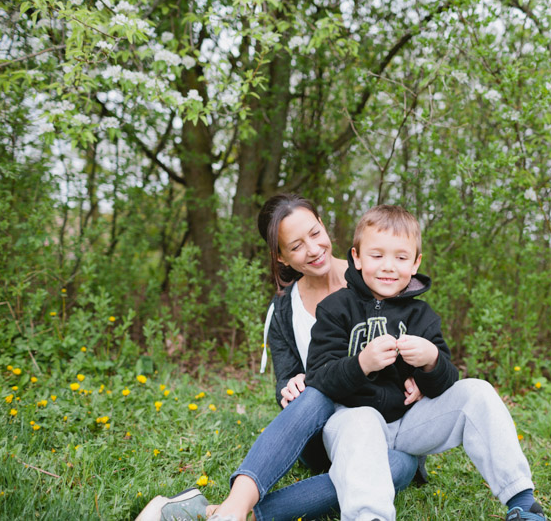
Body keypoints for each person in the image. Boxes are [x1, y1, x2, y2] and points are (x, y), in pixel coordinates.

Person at [137, 195, 418, 521]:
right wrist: (289, 386)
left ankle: (219, 513)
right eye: (296, 246)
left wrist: (421, 373)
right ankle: (236, 505)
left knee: (399, 466)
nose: (313, 250)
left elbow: (419, 334)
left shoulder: (377, 274)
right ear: (280, 257)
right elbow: (284, 379)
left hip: (386, 426)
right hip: (325, 430)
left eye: (315, 234)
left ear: (324, 226)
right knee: (319, 388)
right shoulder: (284, 309)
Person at [304, 204, 545, 521]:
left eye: (401, 258)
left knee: (477, 392)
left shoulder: (422, 315)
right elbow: (318, 378)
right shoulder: (335, 308)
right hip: (350, 420)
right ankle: (369, 516)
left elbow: (445, 382)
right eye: (377, 256)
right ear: (357, 257)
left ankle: (522, 501)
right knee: (360, 421)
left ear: (415, 263)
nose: (389, 266)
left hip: (408, 423)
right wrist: (361, 363)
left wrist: (431, 362)